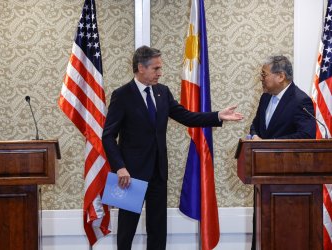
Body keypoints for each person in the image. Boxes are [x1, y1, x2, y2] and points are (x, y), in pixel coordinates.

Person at [102, 45, 243, 250]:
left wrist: (217, 116)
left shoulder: (162, 92)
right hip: (129, 176)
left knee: (158, 229)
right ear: (141, 67)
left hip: (159, 172)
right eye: (156, 68)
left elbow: (186, 116)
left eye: (160, 68)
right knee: (126, 229)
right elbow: (108, 136)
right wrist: (120, 167)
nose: (160, 73)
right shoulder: (122, 95)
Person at [249, 55, 316, 249]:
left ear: (280, 76)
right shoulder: (265, 97)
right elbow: (255, 126)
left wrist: (267, 145)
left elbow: (305, 136)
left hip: (289, 182)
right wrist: (254, 138)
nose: (261, 78)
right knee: (262, 230)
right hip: (264, 177)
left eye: (264, 74)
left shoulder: (301, 100)